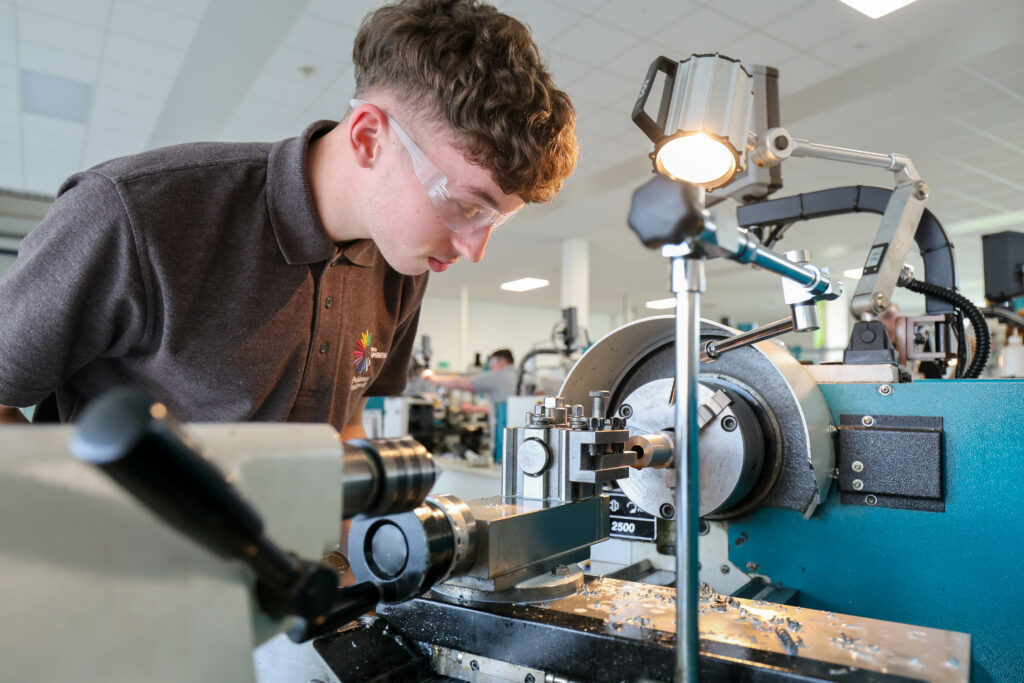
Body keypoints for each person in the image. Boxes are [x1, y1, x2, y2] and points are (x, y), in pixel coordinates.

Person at [0, 0, 577, 438]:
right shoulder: (132, 214)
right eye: (465, 205)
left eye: (493, 222)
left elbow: (343, 428)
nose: (473, 249)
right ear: (369, 137)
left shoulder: (404, 261)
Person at [421, 348, 517, 459]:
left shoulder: (499, 376)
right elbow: (498, 406)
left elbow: (462, 383)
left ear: (502, 361)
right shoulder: (517, 376)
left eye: (492, 361)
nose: (490, 366)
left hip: (505, 435)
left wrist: (433, 378)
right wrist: (473, 408)